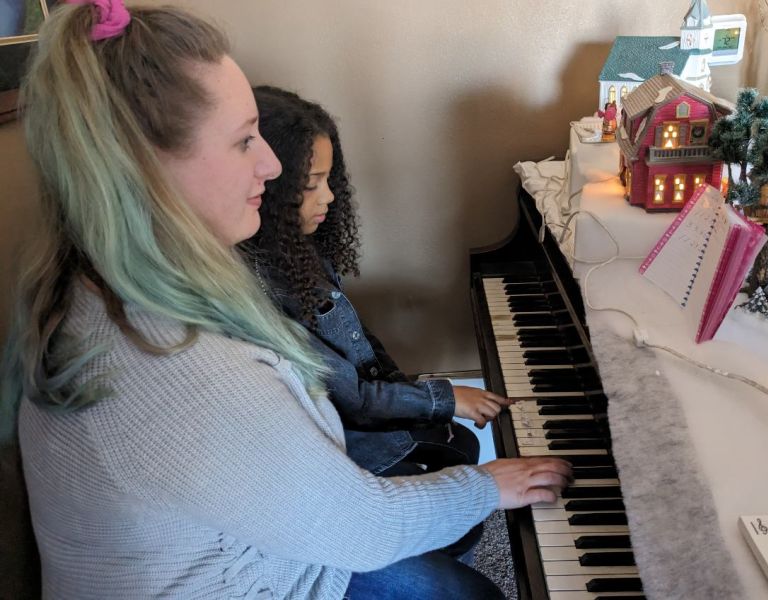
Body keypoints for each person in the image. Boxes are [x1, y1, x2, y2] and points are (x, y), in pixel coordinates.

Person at [0, 2, 572, 599]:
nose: (271, 165)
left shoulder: (85, 280)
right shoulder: (183, 371)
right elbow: (362, 528)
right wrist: (486, 485)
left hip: (263, 542)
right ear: (144, 168)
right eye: (245, 141)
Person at [250, 85, 510, 481]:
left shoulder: (300, 250)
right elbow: (352, 399)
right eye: (311, 184)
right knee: (458, 460)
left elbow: (359, 342)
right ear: (269, 187)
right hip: (343, 440)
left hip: (364, 413)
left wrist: (409, 388)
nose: (330, 197)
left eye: (329, 179)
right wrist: (446, 399)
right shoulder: (262, 288)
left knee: (463, 444)